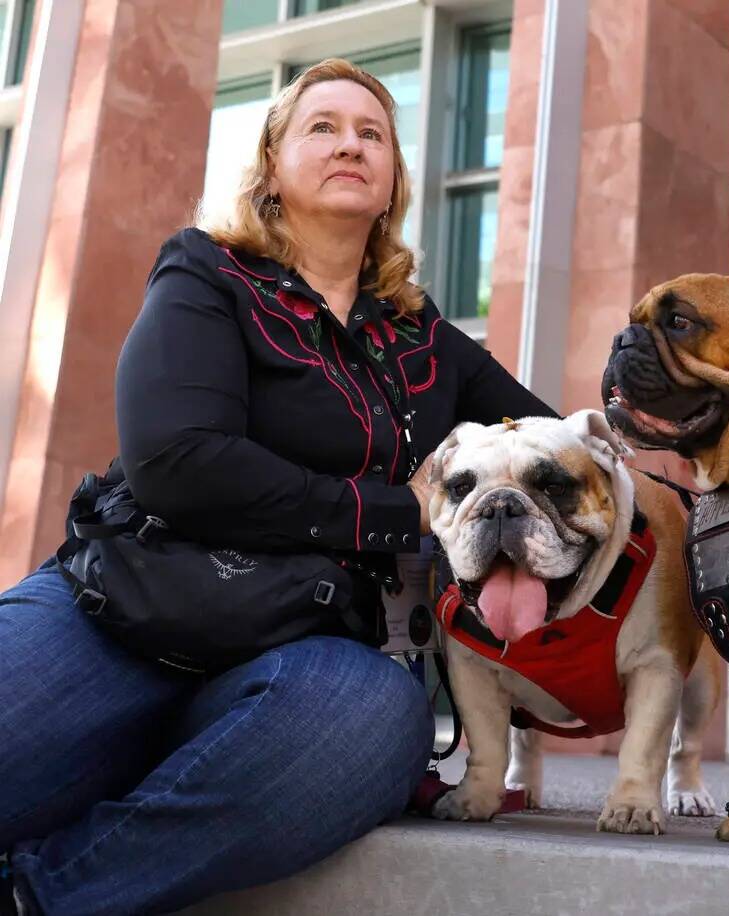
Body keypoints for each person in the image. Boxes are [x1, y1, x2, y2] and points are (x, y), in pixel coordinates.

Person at [0, 58, 552, 916]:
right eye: (323, 128)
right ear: (271, 163)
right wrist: (404, 510)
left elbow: (550, 451)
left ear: (394, 180)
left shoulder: (428, 340)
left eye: (372, 134)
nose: (350, 145)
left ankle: (43, 899)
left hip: (305, 655)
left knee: (371, 725)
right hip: (122, 614)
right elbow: (181, 461)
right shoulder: (207, 274)